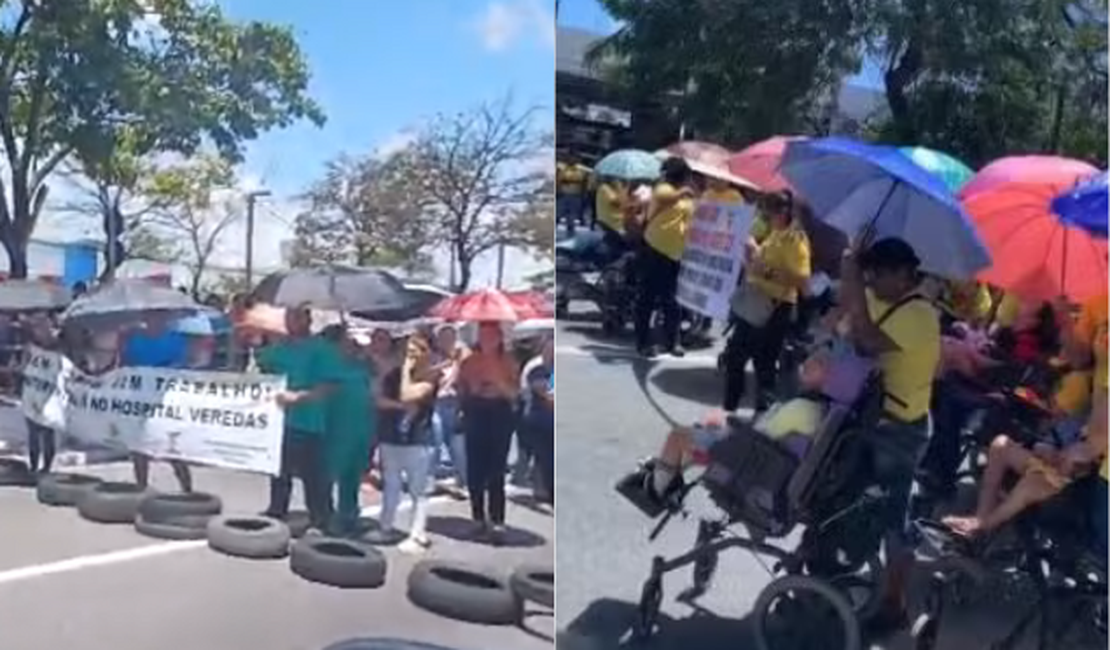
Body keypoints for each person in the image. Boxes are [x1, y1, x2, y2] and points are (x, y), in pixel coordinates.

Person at [834, 237, 941, 636]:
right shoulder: (884, 299)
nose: (872, 282)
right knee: (842, 496)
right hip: (874, 420)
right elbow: (848, 320)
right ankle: (835, 568)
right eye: (870, 274)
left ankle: (895, 605)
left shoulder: (919, 315)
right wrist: (853, 275)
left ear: (901, 274)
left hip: (901, 430)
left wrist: (851, 275)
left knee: (894, 517)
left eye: (878, 275)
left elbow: (864, 339)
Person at [722, 191, 812, 413]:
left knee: (760, 360)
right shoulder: (776, 232)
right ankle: (735, 406)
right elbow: (761, 264)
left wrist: (766, 271)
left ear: (783, 211)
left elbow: (802, 280)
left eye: (768, 211)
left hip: (774, 307)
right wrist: (752, 254)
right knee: (741, 357)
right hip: (757, 301)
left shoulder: (795, 239)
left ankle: (758, 409)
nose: (764, 216)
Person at [256, 306, 342, 533]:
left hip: (310, 423)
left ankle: (321, 520)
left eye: (296, 316)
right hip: (279, 421)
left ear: (307, 319)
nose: (290, 321)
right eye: (288, 317)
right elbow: (261, 369)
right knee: (278, 472)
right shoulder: (280, 347)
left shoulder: (322, 349)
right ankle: (277, 512)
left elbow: (330, 385)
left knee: (314, 477)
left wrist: (299, 397)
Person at [377, 333, 439, 553]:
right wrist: (400, 407)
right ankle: (385, 526)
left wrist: (406, 372)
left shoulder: (431, 375)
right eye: (407, 351)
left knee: (418, 489)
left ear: (426, 353)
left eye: (415, 351)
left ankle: (418, 533)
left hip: (418, 439)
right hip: (391, 435)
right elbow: (379, 400)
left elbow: (408, 394)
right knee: (390, 484)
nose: (410, 356)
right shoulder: (392, 374)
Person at [458, 321, 519, 543]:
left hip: (502, 413)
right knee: (475, 470)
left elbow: (517, 394)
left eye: (492, 336)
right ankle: (477, 518)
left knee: (497, 470)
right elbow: (461, 388)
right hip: (477, 411)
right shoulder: (470, 362)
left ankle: (497, 520)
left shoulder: (512, 362)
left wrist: (498, 383)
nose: (487, 340)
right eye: (483, 336)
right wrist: (472, 390)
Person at [120, 319, 193, 493]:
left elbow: (183, 366)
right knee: (138, 447)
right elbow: (125, 366)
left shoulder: (175, 340)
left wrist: (162, 371)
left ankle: (188, 490)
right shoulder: (134, 340)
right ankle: (141, 487)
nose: (154, 320)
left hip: (167, 401)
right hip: (139, 399)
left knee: (173, 448)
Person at [317, 324, 376, 537]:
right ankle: (324, 517)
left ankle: (349, 516)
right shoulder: (324, 368)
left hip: (361, 429)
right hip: (335, 430)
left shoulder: (362, 366)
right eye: (347, 340)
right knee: (328, 476)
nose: (352, 344)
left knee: (352, 477)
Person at [634, 157, 696, 358]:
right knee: (648, 297)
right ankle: (643, 342)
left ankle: (673, 341)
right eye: (687, 175)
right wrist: (683, 193)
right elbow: (665, 199)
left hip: (675, 253)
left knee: (672, 299)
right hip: (654, 249)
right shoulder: (664, 189)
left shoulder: (685, 196)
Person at [429, 324, 467, 494]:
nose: (448, 340)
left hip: (456, 404)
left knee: (458, 445)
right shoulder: (431, 358)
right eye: (443, 337)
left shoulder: (463, 357)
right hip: (435, 405)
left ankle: (463, 480)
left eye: (451, 336)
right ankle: (429, 479)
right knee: (434, 441)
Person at [22, 312, 59, 475]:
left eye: (44, 327)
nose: (41, 331)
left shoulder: (59, 346)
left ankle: (47, 467)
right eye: (37, 327)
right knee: (33, 433)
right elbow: (22, 366)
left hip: (50, 395)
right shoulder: (30, 347)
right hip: (31, 393)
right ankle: (33, 466)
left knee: (47, 433)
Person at [520, 336, 554, 504]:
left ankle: (545, 488)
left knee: (545, 458)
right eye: (548, 350)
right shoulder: (536, 370)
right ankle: (543, 489)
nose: (551, 353)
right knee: (544, 458)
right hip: (540, 421)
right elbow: (548, 394)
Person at [557, 152, 591, 233]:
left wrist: (584, 193)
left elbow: (585, 182)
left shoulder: (582, 170)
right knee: (558, 213)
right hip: (563, 194)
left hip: (576, 194)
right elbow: (557, 181)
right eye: (571, 157)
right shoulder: (561, 168)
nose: (572, 159)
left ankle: (570, 231)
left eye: (575, 158)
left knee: (572, 215)